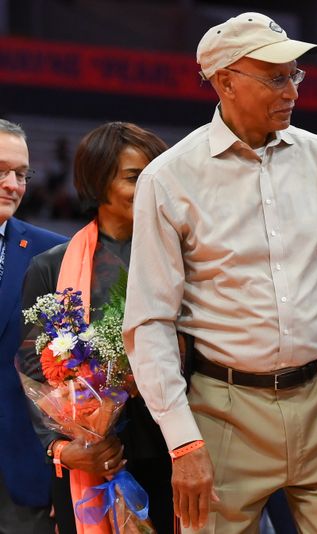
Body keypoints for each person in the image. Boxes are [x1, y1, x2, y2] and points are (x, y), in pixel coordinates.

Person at [122, 12, 317, 533]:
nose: (292, 91)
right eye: (276, 76)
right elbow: (148, 322)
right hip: (223, 410)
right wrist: (183, 440)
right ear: (224, 81)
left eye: (295, 75)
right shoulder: (169, 179)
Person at [19, 122, 174, 532]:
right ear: (98, 180)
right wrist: (64, 447)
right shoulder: (51, 266)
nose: (149, 187)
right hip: (87, 457)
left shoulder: (181, 261)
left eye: (156, 175)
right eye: (135, 177)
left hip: (172, 454)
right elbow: (34, 371)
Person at [0, 118, 66, 532]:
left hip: (25, 468)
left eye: (22, 174)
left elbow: (73, 370)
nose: (13, 184)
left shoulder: (51, 252)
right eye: (0, 171)